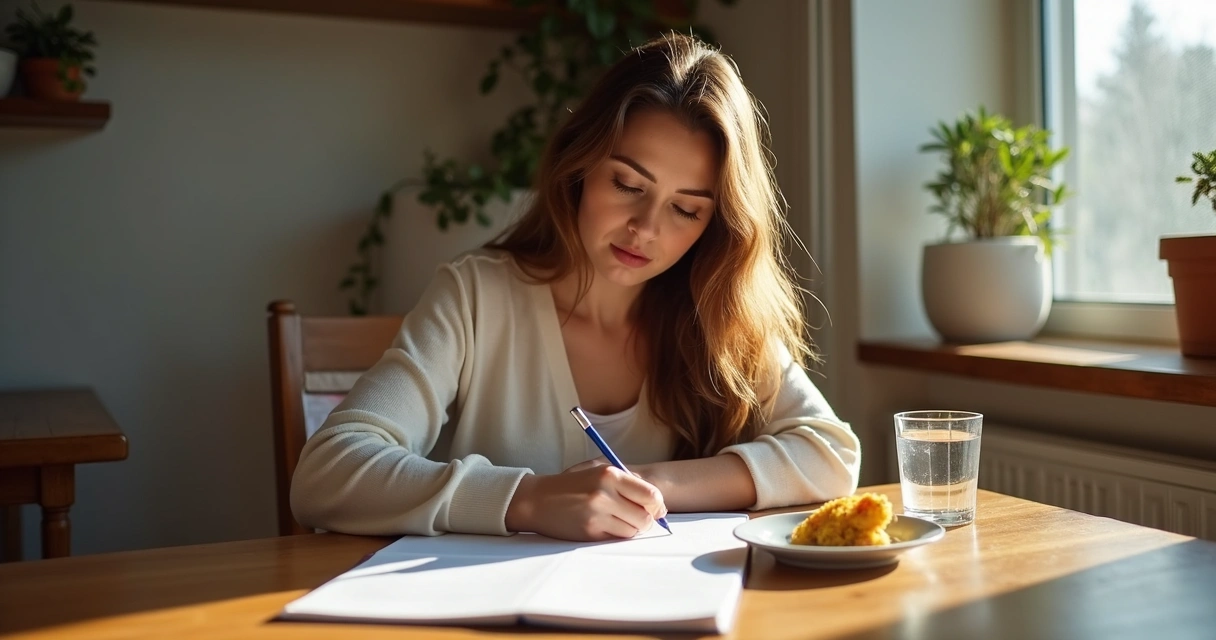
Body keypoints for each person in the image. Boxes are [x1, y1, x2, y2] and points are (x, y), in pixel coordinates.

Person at [291, 33, 861, 542]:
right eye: (627, 183)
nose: (646, 229)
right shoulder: (474, 296)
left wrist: (646, 486)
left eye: (685, 210)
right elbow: (329, 472)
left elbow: (832, 454)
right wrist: (529, 500)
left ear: (715, 225)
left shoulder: (716, 311)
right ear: (579, 164)